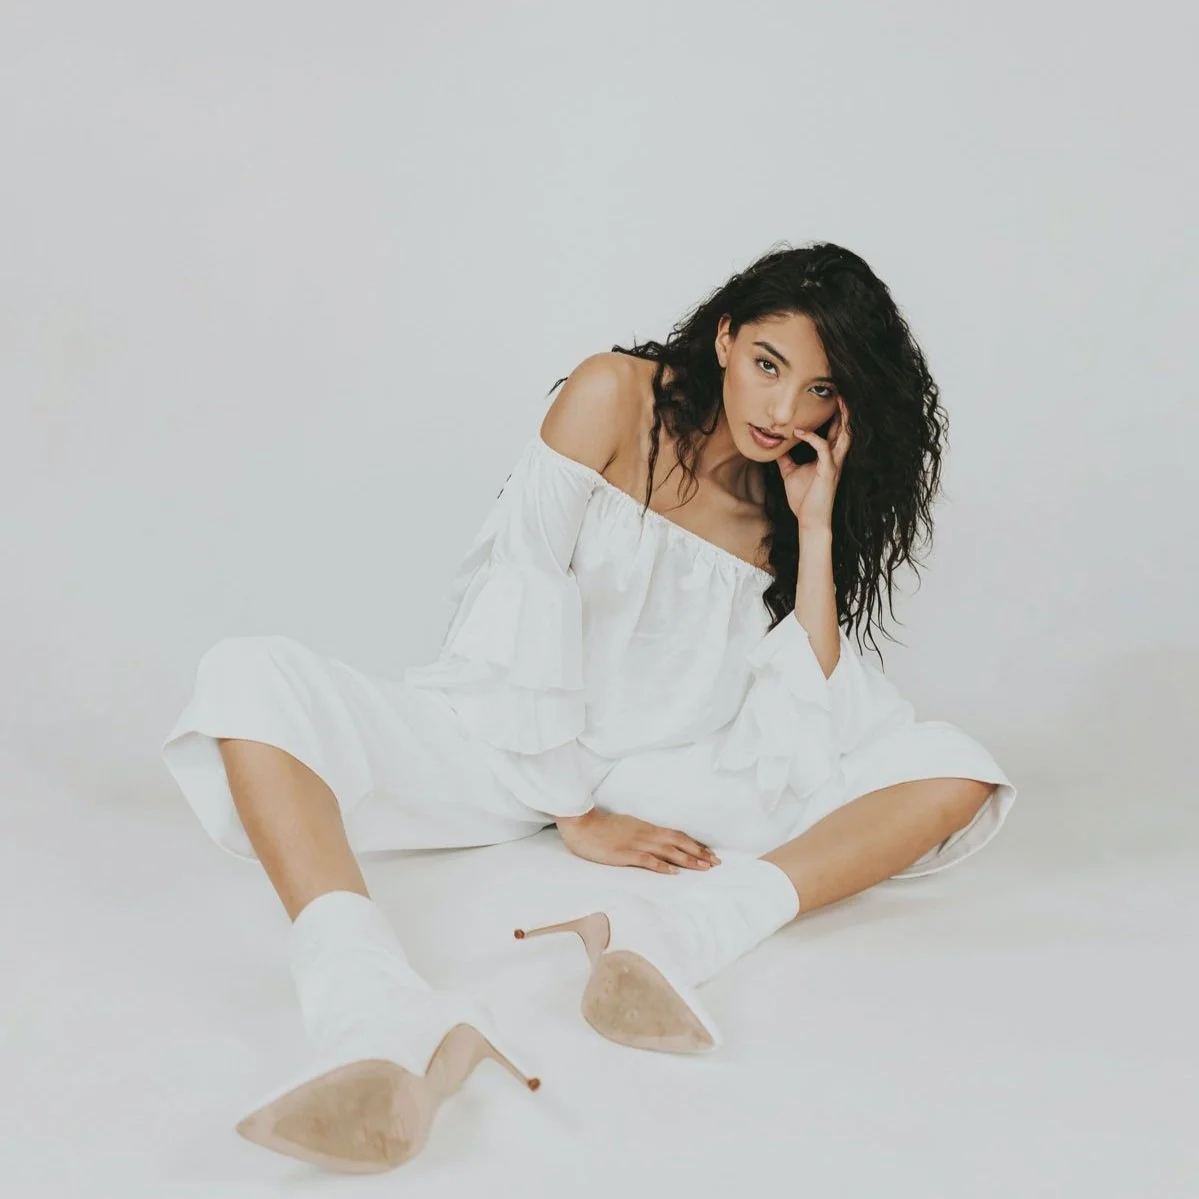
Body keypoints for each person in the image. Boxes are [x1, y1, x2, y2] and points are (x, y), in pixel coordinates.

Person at [160, 241, 1017, 1173]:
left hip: (668, 767)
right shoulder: (614, 396)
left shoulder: (785, 493)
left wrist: (812, 527)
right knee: (249, 677)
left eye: (818, 390)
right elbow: (519, 592)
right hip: (505, 736)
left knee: (956, 768)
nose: (782, 410)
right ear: (726, 336)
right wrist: (575, 811)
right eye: (768, 366)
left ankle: (690, 927)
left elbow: (802, 703)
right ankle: (366, 997)